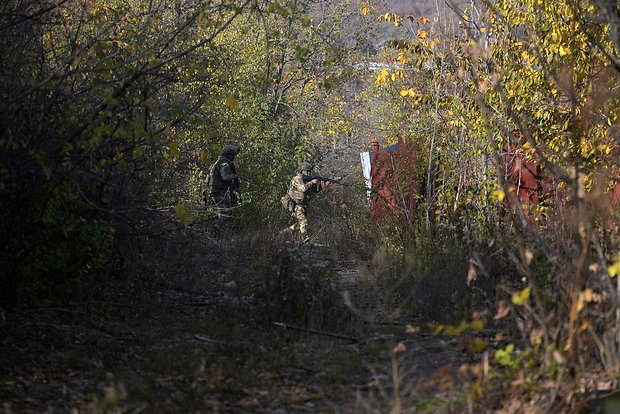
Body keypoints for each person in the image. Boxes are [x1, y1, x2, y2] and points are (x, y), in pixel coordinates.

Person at [283, 162, 330, 243]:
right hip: (296, 204)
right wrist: (312, 182)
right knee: (304, 222)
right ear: (302, 171)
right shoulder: (297, 179)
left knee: (299, 225)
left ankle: (283, 233)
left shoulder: (305, 180)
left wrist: (323, 186)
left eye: (309, 172)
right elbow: (303, 188)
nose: (309, 173)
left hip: (303, 205)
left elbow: (314, 191)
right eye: (307, 171)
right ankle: (305, 239)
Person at [206, 144, 241, 225]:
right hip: (218, 192)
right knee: (225, 214)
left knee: (230, 212)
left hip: (219, 191)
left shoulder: (220, 161)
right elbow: (225, 177)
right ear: (229, 155)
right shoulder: (224, 164)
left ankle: (222, 232)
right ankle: (215, 232)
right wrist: (234, 176)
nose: (234, 158)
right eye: (233, 156)